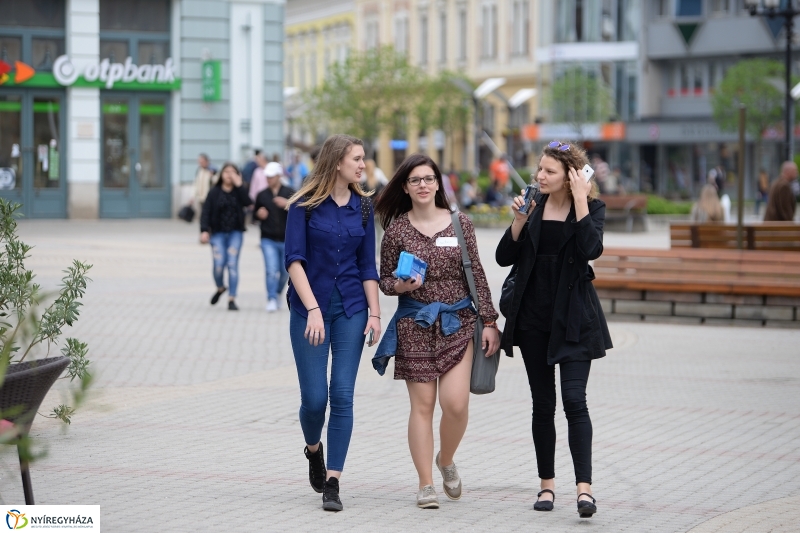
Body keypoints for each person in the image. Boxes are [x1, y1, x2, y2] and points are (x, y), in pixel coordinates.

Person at [373, 153, 500, 509]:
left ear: (438, 183)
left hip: (458, 322)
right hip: (415, 323)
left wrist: (489, 321)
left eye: (429, 178)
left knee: (455, 404)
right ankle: (425, 484)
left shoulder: (460, 224)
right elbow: (385, 279)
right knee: (423, 405)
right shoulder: (397, 229)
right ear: (405, 187)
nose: (423, 185)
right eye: (416, 180)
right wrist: (399, 287)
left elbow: (476, 274)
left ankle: (446, 459)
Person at [496, 140, 612, 519]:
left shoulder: (592, 208)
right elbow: (503, 257)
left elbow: (591, 249)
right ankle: (547, 485)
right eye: (540, 169)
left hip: (575, 318)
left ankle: (585, 490)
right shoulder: (533, 206)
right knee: (543, 405)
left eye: (549, 171)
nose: (540, 176)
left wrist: (580, 200)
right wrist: (518, 219)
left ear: (571, 176)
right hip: (532, 320)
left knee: (575, 402)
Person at [284, 134, 382, 512]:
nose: (363, 164)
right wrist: (311, 309)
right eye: (357, 158)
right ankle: (313, 450)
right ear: (336, 162)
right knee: (314, 400)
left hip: (352, 308)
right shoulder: (303, 205)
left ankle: (333, 481)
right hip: (309, 308)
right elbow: (294, 260)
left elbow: (367, 266)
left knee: (342, 395)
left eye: (363, 158)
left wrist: (374, 312)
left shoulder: (364, 207)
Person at [200, 163, 253, 311]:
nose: (229, 174)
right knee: (218, 265)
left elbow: (248, 203)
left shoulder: (239, 191)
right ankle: (220, 287)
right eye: (226, 171)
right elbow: (206, 212)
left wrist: (240, 184)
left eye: (233, 172)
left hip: (235, 233)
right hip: (217, 234)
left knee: (232, 264)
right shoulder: (214, 192)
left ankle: (232, 298)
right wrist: (204, 230)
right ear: (221, 174)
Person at [254, 164, 295, 312]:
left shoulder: (290, 192)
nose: (269, 179)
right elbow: (254, 215)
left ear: (279, 176)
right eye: (267, 177)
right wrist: (259, 214)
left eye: (271, 176)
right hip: (268, 238)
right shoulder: (262, 194)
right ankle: (271, 298)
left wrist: (288, 204)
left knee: (285, 271)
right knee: (271, 270)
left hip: (286, 239)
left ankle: (277, 293)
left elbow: (301, 212)